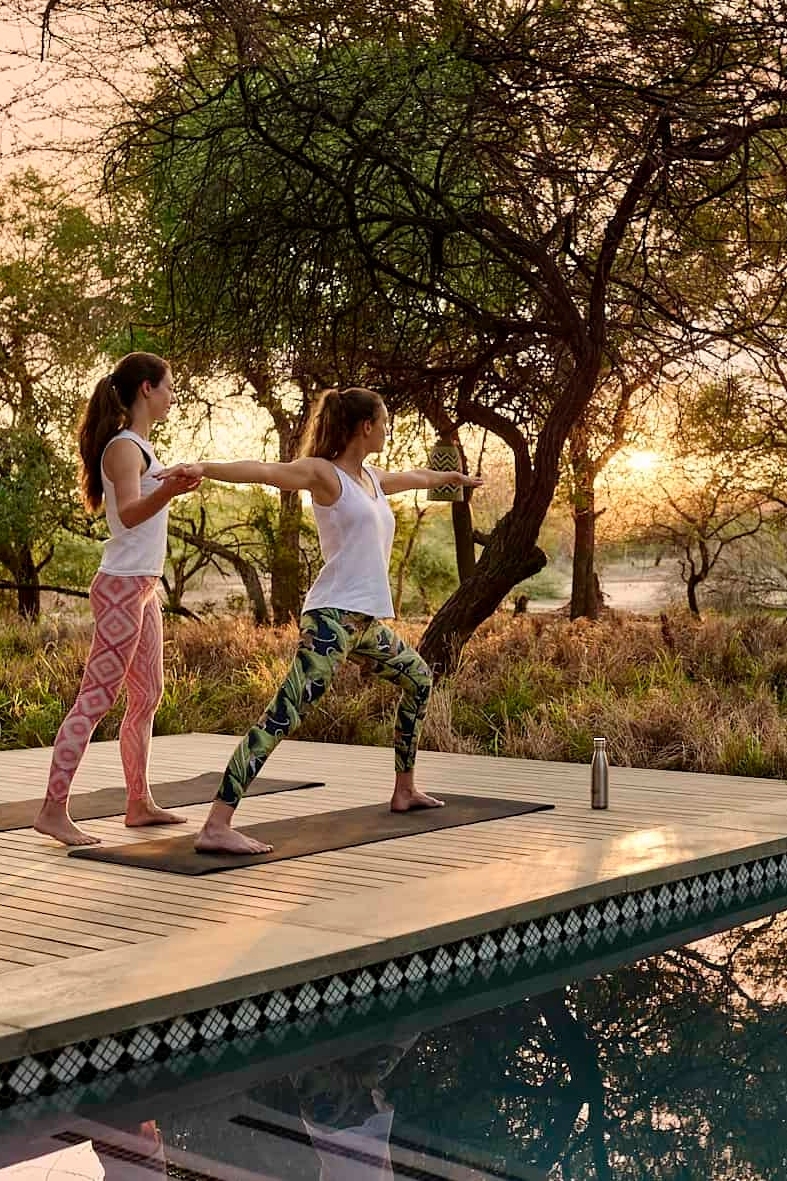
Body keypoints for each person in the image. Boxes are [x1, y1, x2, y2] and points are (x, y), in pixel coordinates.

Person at [160, 386, 481, 855]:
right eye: (385, 421)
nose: (389, 429)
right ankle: (216, 823)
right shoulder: (324, 475)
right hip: (330, 621)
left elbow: (413, 476)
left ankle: (404, 790)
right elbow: (267, 471)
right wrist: (205, 469)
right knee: (282, 716)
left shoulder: (371, 478)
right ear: (365, 426)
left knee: (418, 680)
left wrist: (448, 476)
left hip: (366, 623)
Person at [34, 352, 201, 847]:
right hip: (122, 586)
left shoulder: (142, 449)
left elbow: (148, 496)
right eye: (169, 387)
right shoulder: (125, 448)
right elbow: (128, 513)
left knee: (148, 694)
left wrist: (173, 481)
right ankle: (51, 809)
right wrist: (169, 490)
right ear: (147, 389)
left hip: (143, 586)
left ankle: (138, 803)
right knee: (97, 697)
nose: (173, 396)